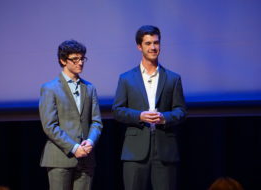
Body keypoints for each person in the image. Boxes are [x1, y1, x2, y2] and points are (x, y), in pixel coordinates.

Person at [112, 25, 187, 190]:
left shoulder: (173, 78)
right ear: (139, 46)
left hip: (164, 150)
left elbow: (181, 111)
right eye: (148, 43)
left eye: (156, 43)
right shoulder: (126, 78)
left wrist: (164, 118)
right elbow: (117, 110)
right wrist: (140, 116)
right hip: (135, 150)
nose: (153, 47)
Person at [39, 39, 103, 190]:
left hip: (86, 159)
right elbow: (49, 126)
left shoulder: (89, 88)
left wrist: (90, 142)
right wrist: (74, 148)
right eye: (75, 59)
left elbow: (96, 122)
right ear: (63, 60)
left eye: (82, 59)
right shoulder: (50, 89)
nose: (80, 63)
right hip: (60, 159)